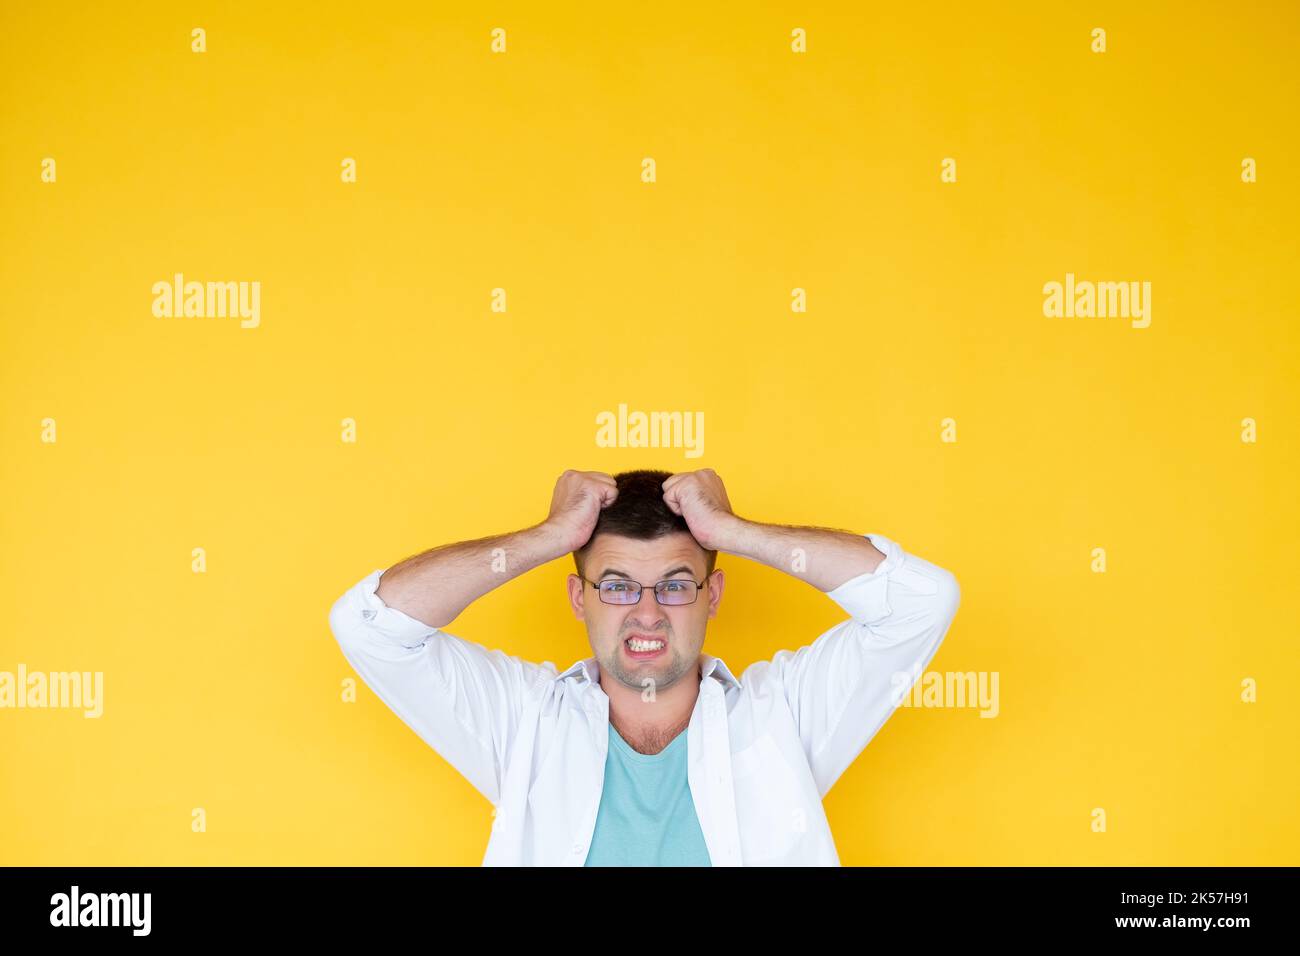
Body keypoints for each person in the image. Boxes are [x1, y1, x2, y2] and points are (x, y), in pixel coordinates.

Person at [328, 468, 960, 865]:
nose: (648, 612)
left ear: (713, 595)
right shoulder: (524, 724)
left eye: (678, 584)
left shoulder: (784, 718)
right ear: (579, 599)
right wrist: (550, 537)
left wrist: (731, 531)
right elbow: (370, 626)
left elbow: (921, 603)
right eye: (618, 585)